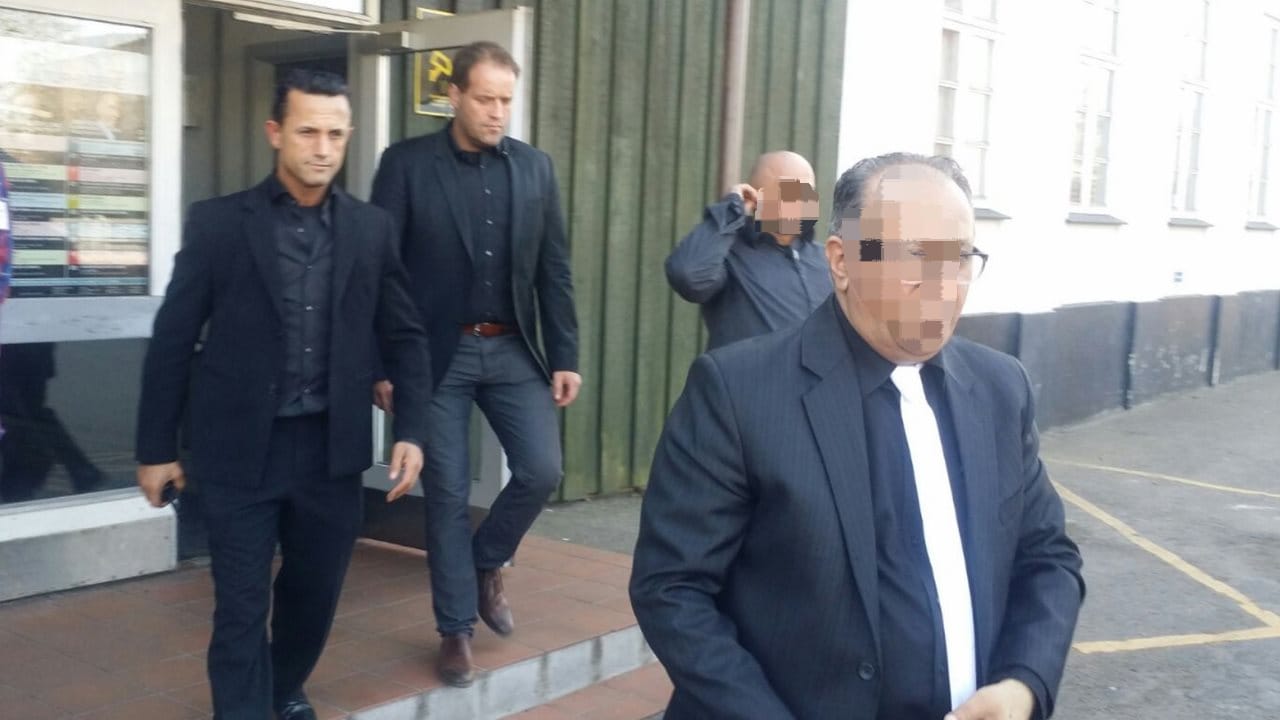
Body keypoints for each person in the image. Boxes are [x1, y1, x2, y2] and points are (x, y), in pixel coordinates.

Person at [630, 152, 1085, 720]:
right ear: (842, 261)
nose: (944, 284)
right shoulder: (736, 393)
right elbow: (672, 589)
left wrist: (1023, 683)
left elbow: (1046, 556)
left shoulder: (1000, 388)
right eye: (915, 254)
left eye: (960, 257)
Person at [134, 70, 431, 720]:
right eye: (307, 132)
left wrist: (411, 429)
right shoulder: (218, 224)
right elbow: (173, 338)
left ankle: (283, 684)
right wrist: (156, 449)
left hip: (330, 454)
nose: (322, 148)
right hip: (240, 451)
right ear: (276, 132)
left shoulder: (371, 229)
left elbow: (405, 336)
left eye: (335, 134)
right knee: (240, 606)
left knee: (314, 593)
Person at [370, 41, 580, 688]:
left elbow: (553, 269)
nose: (496, 112)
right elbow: (379, 272)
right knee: (447, 494)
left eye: (506, 100)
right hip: (435, 355)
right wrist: (381, 363)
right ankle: (455, 629)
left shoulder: (535, 169)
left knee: (542, 468)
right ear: (454, 95)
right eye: (485, 98)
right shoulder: (406, 165)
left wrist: (565, 355)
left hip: (512, 346)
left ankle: (488, 560)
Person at [665, 150, 831, 349]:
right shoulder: (729, 255)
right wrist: (733, 208)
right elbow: (688, 276)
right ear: (756, 196)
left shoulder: (827, 260)